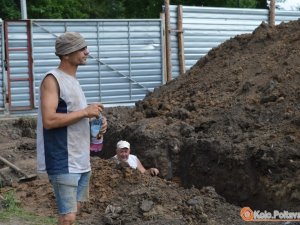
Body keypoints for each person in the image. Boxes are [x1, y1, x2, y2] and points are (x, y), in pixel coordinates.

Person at [36, 32, 107, 225]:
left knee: (75, 211)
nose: (87, 52)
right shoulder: (52, 79)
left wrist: (95, 122)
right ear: (66, 54)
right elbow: (49, 120)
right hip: (63, 159)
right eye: (81, 49)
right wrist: (85, 112)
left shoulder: (73, 81)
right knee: (67, 217)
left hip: (80, 159)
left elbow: (72, 117)